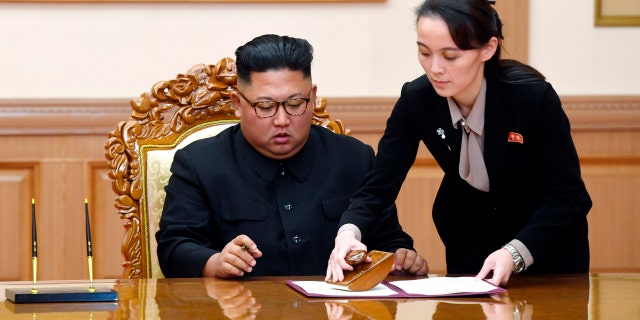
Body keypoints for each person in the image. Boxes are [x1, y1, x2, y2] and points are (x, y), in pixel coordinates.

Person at [326, 0, 591, 286]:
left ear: (488, 49)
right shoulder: (416, 100)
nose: (435, 68)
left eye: (450, 56)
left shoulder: (531, 98)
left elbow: (569, 195)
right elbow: (379, 186)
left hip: (544, 245)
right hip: (469, 239)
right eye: (424, 52)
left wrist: (514, 253)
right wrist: (348, 234)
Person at [156, 34, 428, 278]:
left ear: (313, 97)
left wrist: (403, 257)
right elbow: (174, 248)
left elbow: (389, 241)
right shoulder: (199, 163)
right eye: (265, 106)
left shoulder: (354, 158)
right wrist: (215, 262)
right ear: (237, 104)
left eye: (295, 104)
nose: (282, 120)